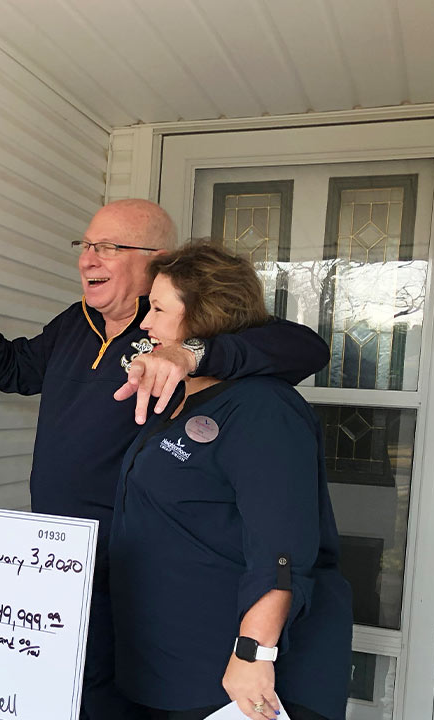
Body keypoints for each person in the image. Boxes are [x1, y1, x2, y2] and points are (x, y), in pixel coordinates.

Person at [0, 199, 330, 720]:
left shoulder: (190, 341)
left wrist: (192, 352)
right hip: (63, 552)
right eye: (86, 246)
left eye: (108, 247)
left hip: (137, 556)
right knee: (82, 687)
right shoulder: (74, 324)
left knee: (132, 686)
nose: (88, 259)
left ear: (156, 262)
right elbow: (12, 372)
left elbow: (303, 348)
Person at [109, 241, 352, 720]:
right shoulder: (183, 397)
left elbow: (281, 549)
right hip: (162, 660)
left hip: (220, 674)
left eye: (158, 309)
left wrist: (252, 655)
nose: (145, 323)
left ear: (203, 318)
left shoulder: (264, 408)